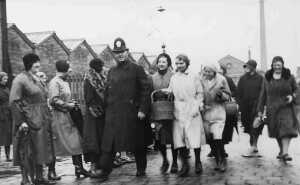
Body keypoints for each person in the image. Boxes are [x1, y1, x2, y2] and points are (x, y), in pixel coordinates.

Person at [96, 38, 150, 182]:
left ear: (127, 52)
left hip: (131, 113)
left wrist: (143, 109)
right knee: (110, 142)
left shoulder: (136, 69)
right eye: (117, 52)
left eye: (122, 52)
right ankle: (105, 170)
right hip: (114, 113)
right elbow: (108, 91)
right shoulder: (112, 71)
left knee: (137, 142)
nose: (120, 55)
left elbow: (146, 90)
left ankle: (141, 168)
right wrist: (105, 107)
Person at [9, 53, 54, 185]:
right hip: (28, 119)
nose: (38, 65)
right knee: (26, 150)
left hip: (41, 118)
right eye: (35, 62)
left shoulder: (36, 78)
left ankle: (39, 177)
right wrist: (21, 121)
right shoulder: (20, 79)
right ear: (28, 64)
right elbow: (14, 101)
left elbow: (42, 96)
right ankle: (25, 179)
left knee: (40, 148)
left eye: (38, 62)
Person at [165, 54, 206, 177]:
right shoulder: (174, 77)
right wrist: (165, 92)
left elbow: (200, 93)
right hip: (178, 109)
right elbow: (170, 91)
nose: (179, 66)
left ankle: (198, 161)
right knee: (179, 138)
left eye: (181, 63)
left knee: (194, 136)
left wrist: (197, 106)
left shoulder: (194, 76)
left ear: (187, 63)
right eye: (177, 63)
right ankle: (185, 165)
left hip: (191, 107)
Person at [48, 60, 90, 178]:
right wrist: (68, 105)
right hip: (58, 118)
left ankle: (79, 168)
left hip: (68, 116)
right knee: (55, 145)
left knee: (76, 142)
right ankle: (51, 172)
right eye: (69, 68)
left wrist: (71, 103)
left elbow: (63, 98)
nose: (70, 71)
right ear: (64, 70)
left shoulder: (64, 82)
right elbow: (53, 100)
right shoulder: (54, 83)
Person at [257, 56, 298, 162]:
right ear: (272, 66)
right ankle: (281, 150)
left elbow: (297, 90)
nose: (277, 67)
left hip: (286, 107)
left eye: (279, 65)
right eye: (275, 65)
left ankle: (285, 153)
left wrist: (292, 96)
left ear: (283, 65)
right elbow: (263, 95)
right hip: (272, 109)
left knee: (286, 129)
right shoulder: (267, 78)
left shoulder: (290, 77)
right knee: (277, 132)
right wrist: (260, 111)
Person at [150, 52, 178, 174]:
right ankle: (165, 160)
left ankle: (175, 162)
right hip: (158, 112)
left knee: (174, 137)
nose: (161, 64)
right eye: (159, 62)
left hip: (172, 110)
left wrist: (169, 93)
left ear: (168, 64)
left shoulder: (174, 76)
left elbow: (178, 91)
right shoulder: (152, 77)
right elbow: (150, 93)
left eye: (164, 62)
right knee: (160, 137)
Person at [201, 64, 231, 172]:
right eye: (206, 71)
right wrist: (201, 104)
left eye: (210, 71)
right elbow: (198, 94)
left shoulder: (221, 79)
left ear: (214, 72)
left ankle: (221, 161)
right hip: (206, 112)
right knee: (210, 138)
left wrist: (221, 95)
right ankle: (217, 157)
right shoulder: (201, 80)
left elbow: (228, 95)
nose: (207, 74)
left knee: (218, 136)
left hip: (218, 111)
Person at [236, 60, 264, 157]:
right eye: (246, 66)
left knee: (255, 126)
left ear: (254, 67)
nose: (246, 68)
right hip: (245, 107)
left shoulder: (260, 78)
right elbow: (238, 92)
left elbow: (263, 92)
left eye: (248, 66)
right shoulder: (242, 78)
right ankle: (254, 144)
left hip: (256, 106)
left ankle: (253, 145)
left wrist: (261, 105)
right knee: (248, 126)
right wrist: (239, 104)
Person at [83, 58, 106, 176]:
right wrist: (99, 111)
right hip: (93, 115)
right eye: (100, 66)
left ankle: (100, 166)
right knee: (94, 141)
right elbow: (89, 99)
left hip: (101, 116)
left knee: (101, 140)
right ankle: (93, 167)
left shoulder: (102, 77)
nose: (102, 68)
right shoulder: (89, 79)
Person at [0, 72, 12, 162]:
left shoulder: (7, 88)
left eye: (7, 79)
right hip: (1, 114)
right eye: (4, 79)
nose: (6, 81)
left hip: (8, 114)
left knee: (7, 135)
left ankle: (8, 155)